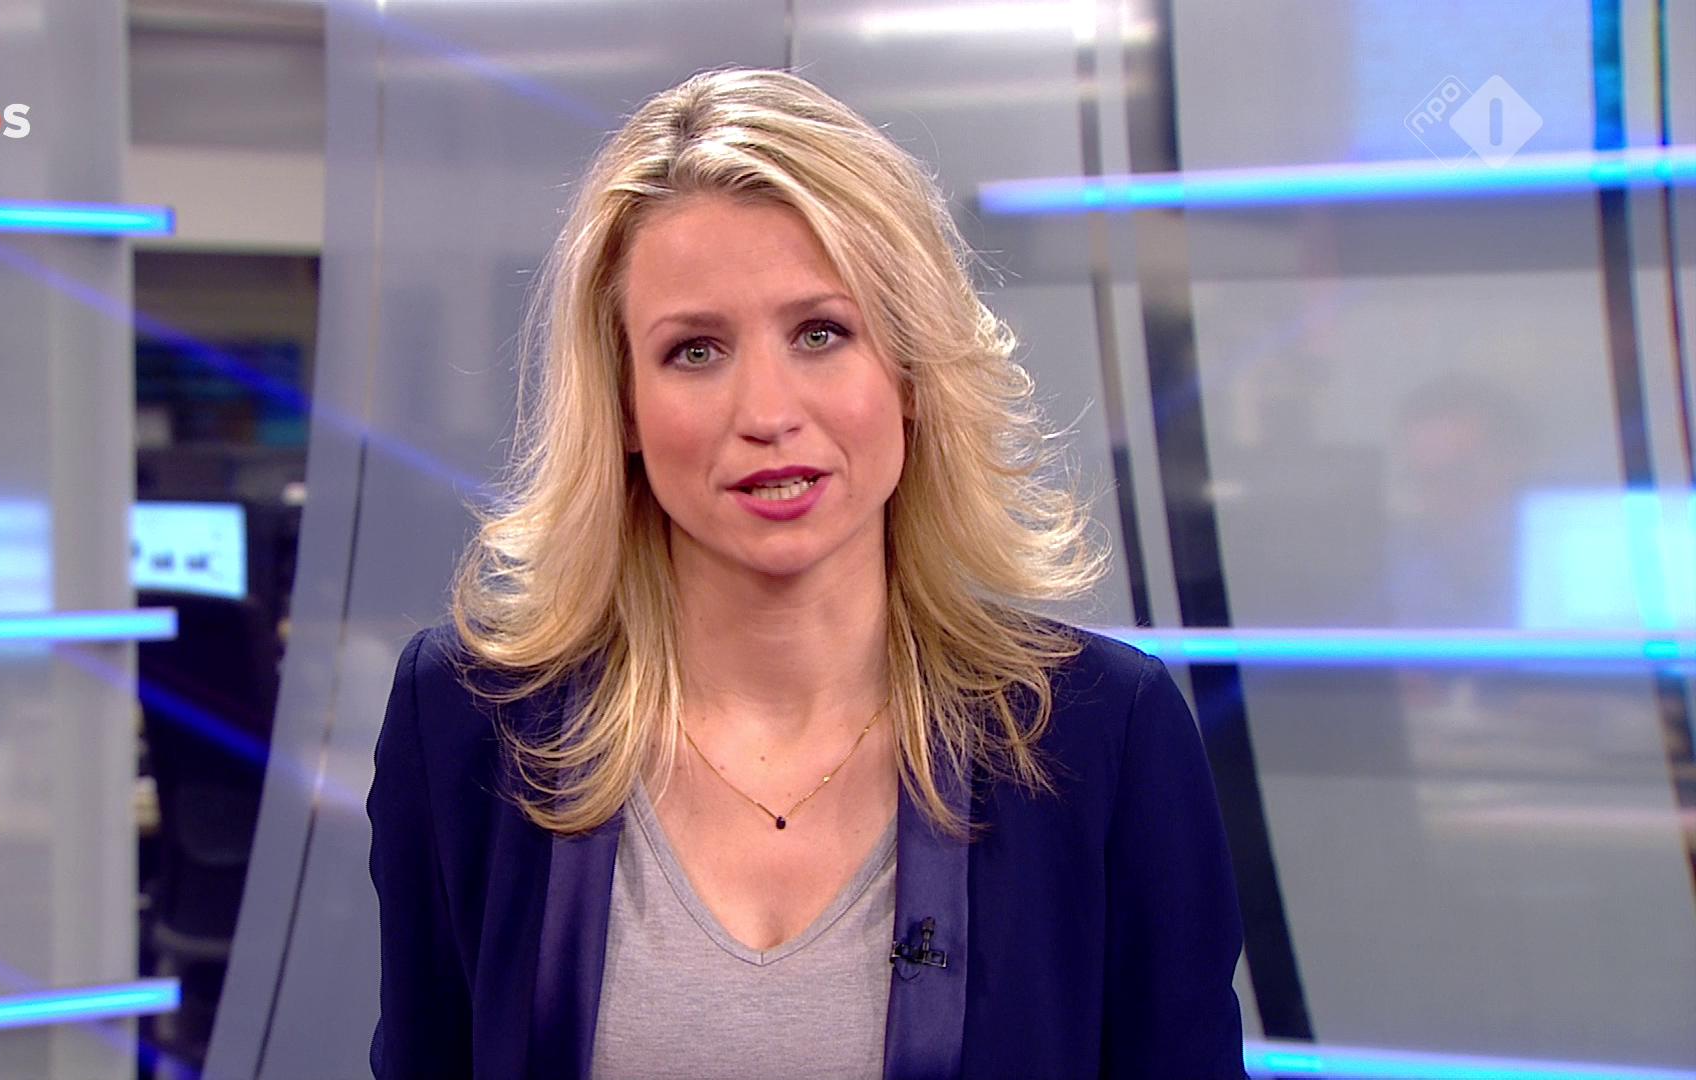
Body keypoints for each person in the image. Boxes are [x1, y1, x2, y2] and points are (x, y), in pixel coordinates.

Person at [368, 67, 1245, 1079]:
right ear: (623, 405)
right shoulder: (468, 721)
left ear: (909, 372)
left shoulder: (1104, 733)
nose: (768, 412)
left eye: (821, 334)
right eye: (695, 351)